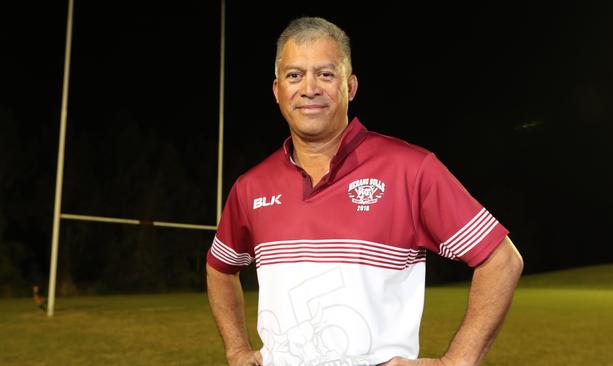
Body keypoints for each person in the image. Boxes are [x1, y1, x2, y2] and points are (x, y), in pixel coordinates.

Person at [206, 16, 523, 366]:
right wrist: (236, 350)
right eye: (294, 75)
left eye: (325, 74)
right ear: (277, 90)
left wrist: (457, 361)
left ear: (350, 86)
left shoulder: (410, 169)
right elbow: (220, 267)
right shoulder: (251, 186)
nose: (309, 88)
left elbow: (502, 260)